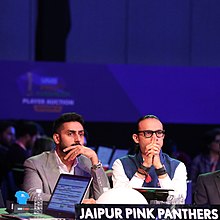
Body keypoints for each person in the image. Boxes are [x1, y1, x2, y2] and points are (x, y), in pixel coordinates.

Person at [22, 112, 110, 202]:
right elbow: (31, 195)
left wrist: (94, 160)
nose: (77, 139)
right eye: (70, 134)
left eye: (81, 134)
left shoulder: (88, 163)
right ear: (57, 138)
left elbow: (105, 198)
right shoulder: (36, 163)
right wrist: (74, 201)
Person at [112, 115, 187, 203]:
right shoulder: (121, 164)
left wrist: (160, 169)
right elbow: (121, 201)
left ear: (163, 136)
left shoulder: (178, 166)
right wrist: (144, 167)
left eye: (159, 133)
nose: (155, 138)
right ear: (136, 138)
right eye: (148, 133)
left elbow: (177, 203)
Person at [190, 128, 220, 193]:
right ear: (209, 144)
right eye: (217, 141)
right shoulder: (198, 160)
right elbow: (192, 183)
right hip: (202, 195)